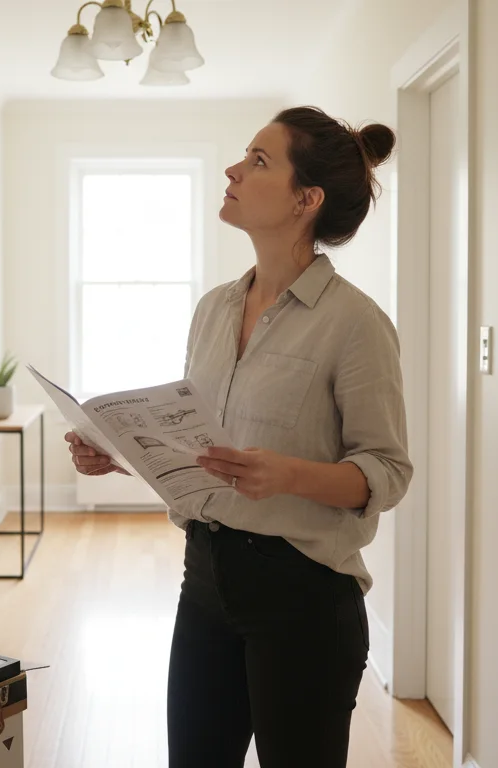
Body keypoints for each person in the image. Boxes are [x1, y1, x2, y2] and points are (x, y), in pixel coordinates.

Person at [65, 105, 412, 768]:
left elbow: (387, 472)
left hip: (305, 601)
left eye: (257, 160)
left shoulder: (355, 324)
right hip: (205, 582)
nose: (233, 168)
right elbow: (206, 450)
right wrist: (120, 453)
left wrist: (289, 475)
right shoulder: (214, 309)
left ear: (305, 200)